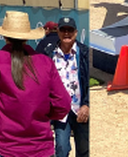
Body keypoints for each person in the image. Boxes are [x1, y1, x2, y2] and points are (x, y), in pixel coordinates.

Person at [0, 11, 71, 157]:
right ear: (27, 37)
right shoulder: (45, 63)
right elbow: (63, 103)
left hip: (6, 147)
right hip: (41, 146)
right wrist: (43, 115)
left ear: (4, 36)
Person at [36, 17, 89, 157]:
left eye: (70, 30)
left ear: (76, 33)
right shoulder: (49, 53)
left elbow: (88, 82)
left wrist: (87, 104)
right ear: (58, 32)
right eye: (63, 30)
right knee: (61, 148)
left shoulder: (84, 53)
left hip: (80, 110)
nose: (67, 33)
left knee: (84, 150)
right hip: (60, 111)